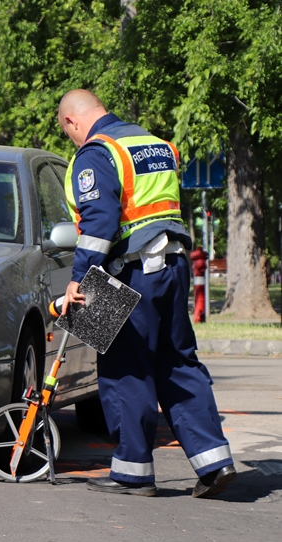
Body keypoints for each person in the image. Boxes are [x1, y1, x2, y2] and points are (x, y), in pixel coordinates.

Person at [57, 89, 236, 498]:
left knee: (125, 367)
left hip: (130, 271)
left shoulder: (97, 153)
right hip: (173, 264)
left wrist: (80, 278)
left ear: (71, 121)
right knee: (178, 363)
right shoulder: (153, 144)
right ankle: (214, 463)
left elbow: (99, 222)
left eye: (69, 133)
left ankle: (132, 473)